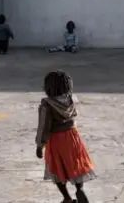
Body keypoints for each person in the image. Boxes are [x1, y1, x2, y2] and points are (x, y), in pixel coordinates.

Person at [36, 70, 96, 203]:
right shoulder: (72, 99)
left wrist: (40, 145)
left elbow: (43, 126)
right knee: (76, 165)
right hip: (73, 136)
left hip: (56, 139)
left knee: (57, 169)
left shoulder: (47, 105)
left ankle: (67, 198)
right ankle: (80, 189)